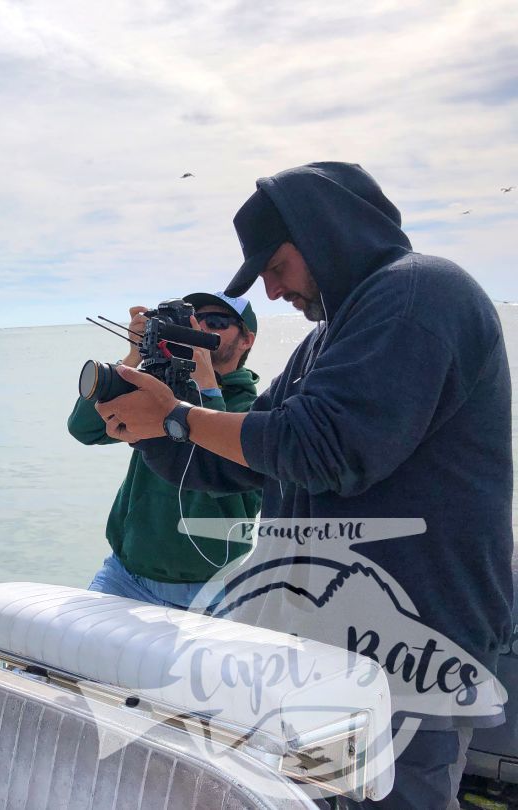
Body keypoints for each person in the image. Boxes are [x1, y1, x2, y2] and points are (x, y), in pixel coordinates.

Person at [94, 162, 513, 809]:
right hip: (333, 640)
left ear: (324, 233)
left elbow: (324, 447)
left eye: (275, 265)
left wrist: (178, 416)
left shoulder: (419, 292)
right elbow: (249, 454)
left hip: (415, 639)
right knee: (322, 795)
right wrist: (149, 428)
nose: (269, 288)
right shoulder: (326, 341)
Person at [67, 293, 261, 608]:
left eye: (216, 322)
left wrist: (207, 390)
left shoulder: (257, 411)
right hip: (124, 575)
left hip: (208, 591)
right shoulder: (162, 390)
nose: (201, 328)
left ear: (246, 340)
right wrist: (133, 358)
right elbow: (84, 429)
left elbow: (219, 470)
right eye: (195, 320)